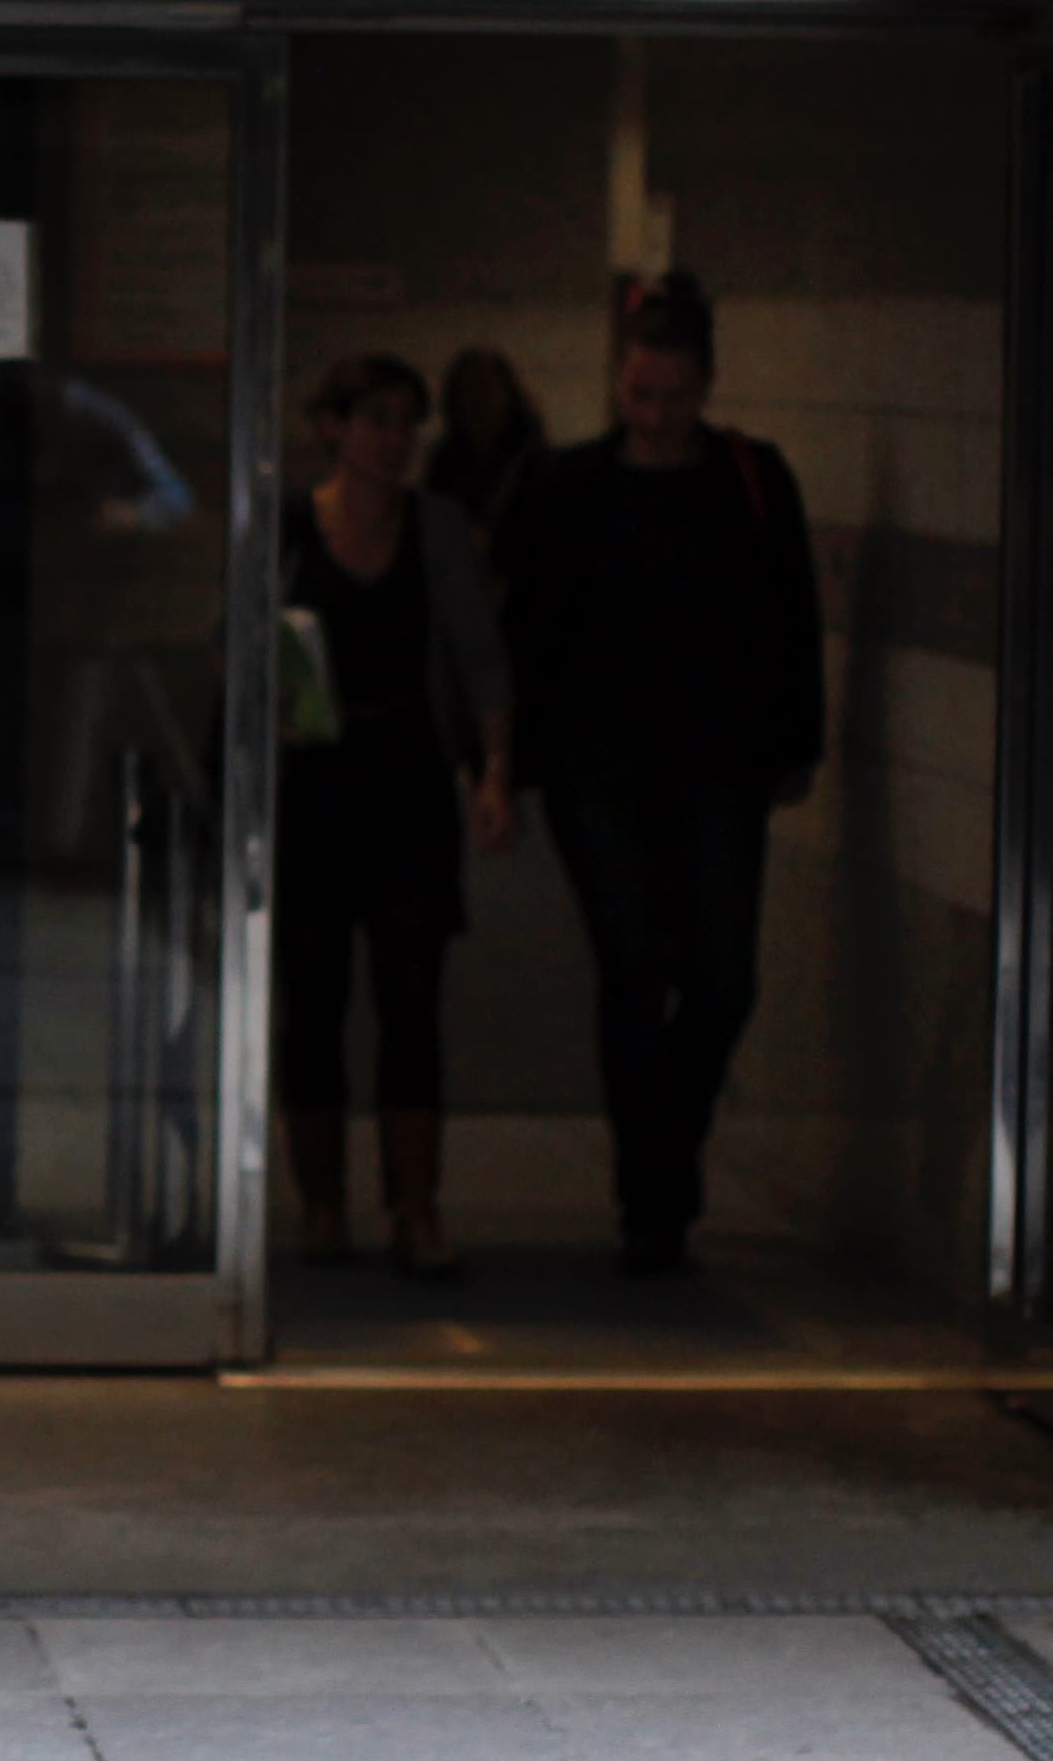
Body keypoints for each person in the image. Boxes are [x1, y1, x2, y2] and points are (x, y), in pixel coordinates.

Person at [495, 275, 824, 1279]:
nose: (655, 415)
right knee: (636, 965)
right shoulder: (566, 486)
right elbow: (522, 624)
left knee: (722, 980)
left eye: (674, 396)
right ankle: (653, 1198)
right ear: (619, 383)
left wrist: (795, 743)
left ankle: (660, 1157)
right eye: (640, 394)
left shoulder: (749, 479)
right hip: (599, 766)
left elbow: (791, 615)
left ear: (706, 386)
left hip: (716, 763)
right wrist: (506, 760)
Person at [277, 355, 516, 1279]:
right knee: (314, 1000)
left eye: (407, 422)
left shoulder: (435, 529)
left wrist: (493, 773)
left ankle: (416, 1205)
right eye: (376, 418)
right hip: (314, 788)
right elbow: (237, 643)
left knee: (411, 999)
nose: (395, 439)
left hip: (408, 784)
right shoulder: (294, 528)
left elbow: (480, 656)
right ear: (334, 427)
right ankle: (322, 1202)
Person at [425, 344, 548, 534]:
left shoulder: (533, 460)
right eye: (466, 391)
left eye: (485, 388)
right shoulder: (445, 461)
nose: (476, 401)